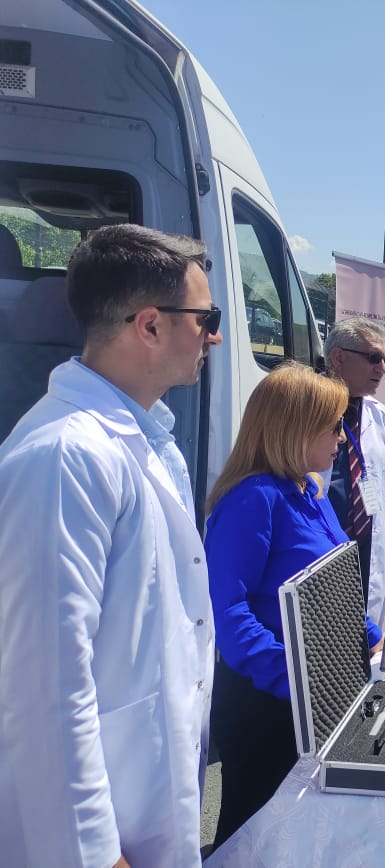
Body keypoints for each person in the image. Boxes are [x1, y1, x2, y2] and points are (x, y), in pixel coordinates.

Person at [0, 224, 220, 866]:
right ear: (149, 325)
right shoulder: (64, 457)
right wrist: (97, 856)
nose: (216, 336)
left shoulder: (149, 442)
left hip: (147, 809)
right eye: (204, 319)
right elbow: (43, 689)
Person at [205, 362, 385, 846]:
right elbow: (227, 611)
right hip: (266, 702)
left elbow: (333, 580)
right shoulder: (253, 499)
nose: (343, 438)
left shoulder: (309, 489)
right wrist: (292, 676)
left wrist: (372, 635)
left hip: (312, 693)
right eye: (334, 425)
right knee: (251, 836)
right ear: (295, 427)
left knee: (295, 834)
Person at [324, 317, 385, 625]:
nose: (383, 368)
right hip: (322, 555)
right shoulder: (304, 410)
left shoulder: (383, 418)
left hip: (366, 555)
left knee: (364, 649)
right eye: (374, 358)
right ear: (338, 358)